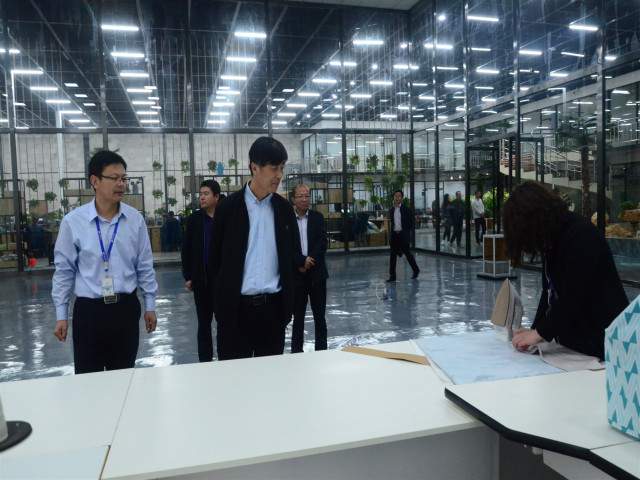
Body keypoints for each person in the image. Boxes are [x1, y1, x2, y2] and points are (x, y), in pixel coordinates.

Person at [52, 150, 158, 374]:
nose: (121, 184)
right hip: (89, 313)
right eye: (114, 178)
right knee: (88, 379)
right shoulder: (73, 222)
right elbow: (64, 272)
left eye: (123, 178)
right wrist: (61, 315)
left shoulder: (135, 220)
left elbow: (145, 266)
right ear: (95, 181)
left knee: (124, 378)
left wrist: (150, 306)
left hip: (125, 310)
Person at [503, 181, 628, 360]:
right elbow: (548, 293)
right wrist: (535, 330)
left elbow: (573, 298)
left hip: (605, 343)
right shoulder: (552, 236)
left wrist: (540, 333)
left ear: (534, 222)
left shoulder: (580, 236)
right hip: (577, 343)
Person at [208, 137, 297, 360]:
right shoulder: (227, 209)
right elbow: (214, 260)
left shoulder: (284, 210)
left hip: (273, 313)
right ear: (255, 168)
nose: (280, 175)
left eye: (282, 168)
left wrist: (287, 307)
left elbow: (290, 259)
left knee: (271, 377)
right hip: (235, 313)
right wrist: (222, 302)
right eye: (274, 168)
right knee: (235, 376)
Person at [181, 180, 221, 362]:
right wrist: (188, 276)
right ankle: (205, 361)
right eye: (201, 194)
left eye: (206, 194)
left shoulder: (225, 217)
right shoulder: (195, 220)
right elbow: (186, 250)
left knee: (225, 322)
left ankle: (226, 358)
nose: (202, 197)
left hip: (222, 279)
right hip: (201, 279)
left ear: (216, 197)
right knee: (204, 324)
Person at [291, 184, 329, 353]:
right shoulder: (287, 221)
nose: (304, 199)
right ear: (293, 199)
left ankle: (321, 351)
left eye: (307, 196)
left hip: (317, 276)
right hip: (297, 277)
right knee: (297, 318)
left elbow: (322, 242)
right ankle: (296, 352)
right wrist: (301, 261)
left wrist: (308, 261)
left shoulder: (317, 218)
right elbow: (285, 247)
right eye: (300, 196)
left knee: (319, 317)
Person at [387, 190, 420, 282]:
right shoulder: (392, 210)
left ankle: (416, 270)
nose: (397, 198)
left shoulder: (406, 209)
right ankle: (392, 276)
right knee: (392, 256)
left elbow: (411, 222)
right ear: (394, 198)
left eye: (399, 196)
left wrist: (406, 231)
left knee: (408, 254)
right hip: (395, 235)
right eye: (395, 196)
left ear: (402, 198)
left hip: (403, 235)